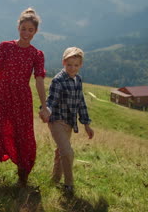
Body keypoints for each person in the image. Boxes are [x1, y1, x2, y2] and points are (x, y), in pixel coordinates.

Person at [0, 8, 50, 187]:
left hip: (22, 99)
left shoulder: (36, 55)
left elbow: (39, 81)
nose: (26, 33)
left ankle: (23, 174)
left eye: (31, 30)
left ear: (35, 32)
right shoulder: (5, 47)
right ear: (18, 28)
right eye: (24, 28)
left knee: (23, 134)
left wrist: (44, 106)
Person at [40, 47, 94, 195]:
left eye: (76, 65)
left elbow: (81, 102)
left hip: (70, 123)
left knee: (60, 152)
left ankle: (55, 180)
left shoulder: (78, 80)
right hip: (56, 120)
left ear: (81, 65)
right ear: (64, 62)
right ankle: (68, 185)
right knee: (67, 152)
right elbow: (52, 99)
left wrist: (87, 125)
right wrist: (46, 110)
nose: (72, 68)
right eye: (69, 64)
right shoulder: (58, 80)